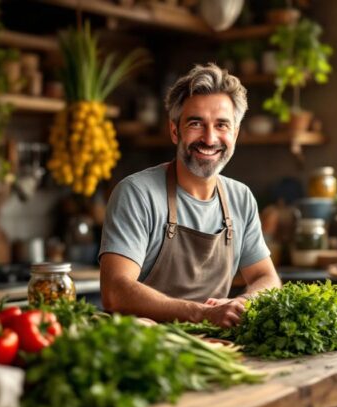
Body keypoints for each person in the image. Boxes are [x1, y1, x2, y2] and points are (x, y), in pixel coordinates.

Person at [99, 63, 282, 328]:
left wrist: (242, 304)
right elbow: (115, 291)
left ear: (235, 133)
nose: (209, 139)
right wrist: (202, 313)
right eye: (196, 124)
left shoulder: (240, 198)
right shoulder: (137, 194)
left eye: (222, 125)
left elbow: (267, 277)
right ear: (175, 131)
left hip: (215, 347)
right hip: (147, 350)